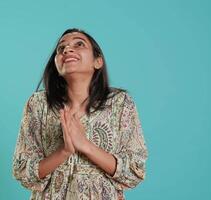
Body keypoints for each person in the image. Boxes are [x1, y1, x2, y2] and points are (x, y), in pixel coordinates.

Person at [12, 28, 148, 200]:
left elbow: (134, 171)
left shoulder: (121, 103)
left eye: (79, 44)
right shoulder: (38, 104)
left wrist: (85, 145)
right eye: (61, 48)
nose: (67, 49)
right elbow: (23, 171)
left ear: (97, 61)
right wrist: (64, 151)